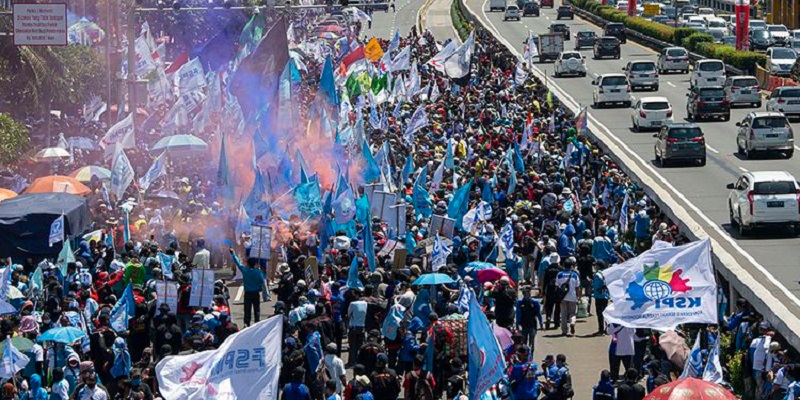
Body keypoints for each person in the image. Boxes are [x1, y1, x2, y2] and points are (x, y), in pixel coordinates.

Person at [229, 249, 267, 327]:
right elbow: (262, 281)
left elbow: (238, 263)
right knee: (257, 310)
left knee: (247, 310)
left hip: (248, 293)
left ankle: (247, 323)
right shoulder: (258, 272)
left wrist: (233, 254)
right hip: (256, 293)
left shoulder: (245, 270)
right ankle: (257, 323)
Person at [555, 260, 580, 337]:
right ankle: (572, 322)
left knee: (563, 314)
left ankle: (564, 330)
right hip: (572, 296)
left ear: (563, 265)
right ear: (571, 266)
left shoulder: (559, 274)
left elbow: (557, 286)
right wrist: (579, 297)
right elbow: (577, 287)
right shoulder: (575, 275)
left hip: (563, 297)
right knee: (572, 312)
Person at [516, 285, 543, 354]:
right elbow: (518, 314)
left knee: (532, 341)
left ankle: (531, 353)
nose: (526, 294)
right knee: (524, 341)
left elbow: (539, 313)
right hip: (523, 324)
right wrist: (517, 324)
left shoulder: (535, 302)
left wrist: (541, 323)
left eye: (528, 292)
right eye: (525, 292)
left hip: (533, 324)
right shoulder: (520, 302)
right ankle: (525, 354)